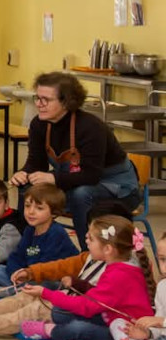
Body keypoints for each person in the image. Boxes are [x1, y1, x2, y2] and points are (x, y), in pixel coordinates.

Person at [0, 201, 130, 338]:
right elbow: (61, 266)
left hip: (85, 312)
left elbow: (94, 302)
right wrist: (31, 272)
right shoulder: (92, 256)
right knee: (26, 295)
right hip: (72, 301)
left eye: (91, 237)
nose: (85, 238)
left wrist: (60, 290)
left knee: (38, 307)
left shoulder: (121, 270)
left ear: (109, 246)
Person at [10, 72, 140, 239]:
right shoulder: (39, 124)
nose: (39, 104)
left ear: (66, 102)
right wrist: (24, 173)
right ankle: (27, 244)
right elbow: (36, 163)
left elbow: (91, 175)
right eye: (37, 97)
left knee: (82, 193)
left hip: (117, 189)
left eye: (46, 100)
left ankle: (88, 252)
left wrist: (54, 179)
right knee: (28, 188)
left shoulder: (91, 127)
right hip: (74, 181)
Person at [18, 215, 155, 340]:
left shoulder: (120, 274)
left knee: (78, 328)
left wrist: (45, 293)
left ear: (108, 249)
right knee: (59, 312)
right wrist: (78, 285)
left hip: (127, 335)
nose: (86, 241)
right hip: (110, 319)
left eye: (91, 239)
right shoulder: (119, 266)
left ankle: (51, 331)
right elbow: (100, 298)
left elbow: (86, 306)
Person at [0, 183, 76, 287]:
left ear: (54, 213)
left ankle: (12, 292)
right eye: (27, 206)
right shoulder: (29, 230)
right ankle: (18, 291)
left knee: (49, 284)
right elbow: (17, 256)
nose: (31, 212)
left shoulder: (56, 233)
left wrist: (27, 274)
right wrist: (16, 273)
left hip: (51, 276)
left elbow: (47, 267)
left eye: (39, 208)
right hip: (30, 275)